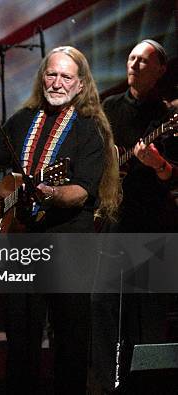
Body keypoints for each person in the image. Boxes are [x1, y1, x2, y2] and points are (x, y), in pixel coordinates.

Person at [0, 46, 120, 394]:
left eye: (66, 76)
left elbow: (81, 192)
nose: (57, 82)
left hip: (69, 246)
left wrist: (51, 192)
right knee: (20, 340)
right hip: (22, 245)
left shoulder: (91, 128)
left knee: (70, 341)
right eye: (51, 74)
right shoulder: (23, 119)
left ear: (81, 85)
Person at [91, 39, 177, 392]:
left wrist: (160, 165)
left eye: (144, 60)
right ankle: (108, 385)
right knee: (101, 303)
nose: (135, 64)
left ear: (160, 70)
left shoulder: (168, 116)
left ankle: (151, 386)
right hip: (115, 223)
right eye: (131, 58)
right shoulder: (109, 109)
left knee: (150, 316)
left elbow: (175, 172)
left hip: (154, 225)